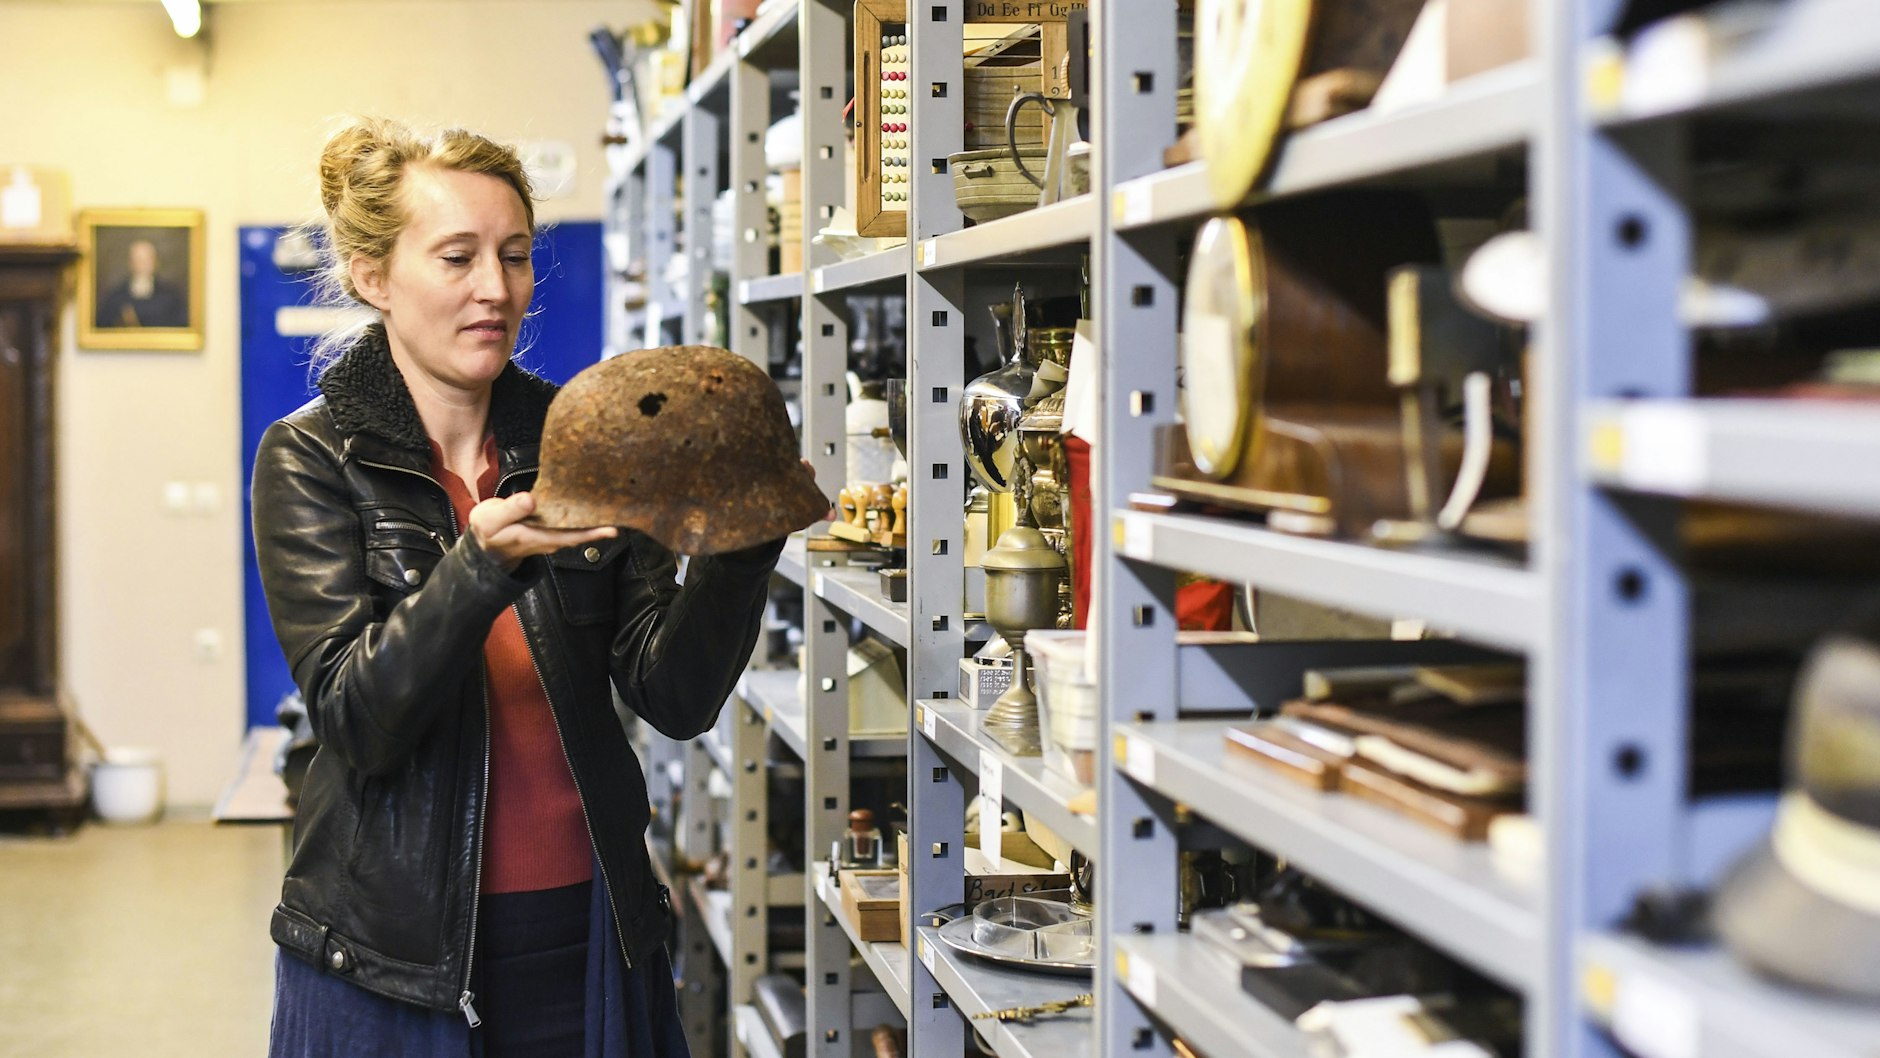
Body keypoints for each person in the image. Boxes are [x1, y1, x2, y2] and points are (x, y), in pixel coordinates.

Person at [251, 117, 786, 1058]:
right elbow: (356, 716)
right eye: (456, 258)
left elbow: (675, 696)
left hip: (589, 928)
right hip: (388, 958)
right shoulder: (310, 456)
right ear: (373, 276)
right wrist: (477, 569)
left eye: (514, 256)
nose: (494, 289)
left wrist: (744, 537)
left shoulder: (584, 439)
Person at [96, 237, 187, 327]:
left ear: (155, 262)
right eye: (138, 260)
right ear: (130, 263)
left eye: (146, 260)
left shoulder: (170, 294)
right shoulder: (116, 295)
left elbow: (180, 325)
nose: (142, 265)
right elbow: (103, 325)